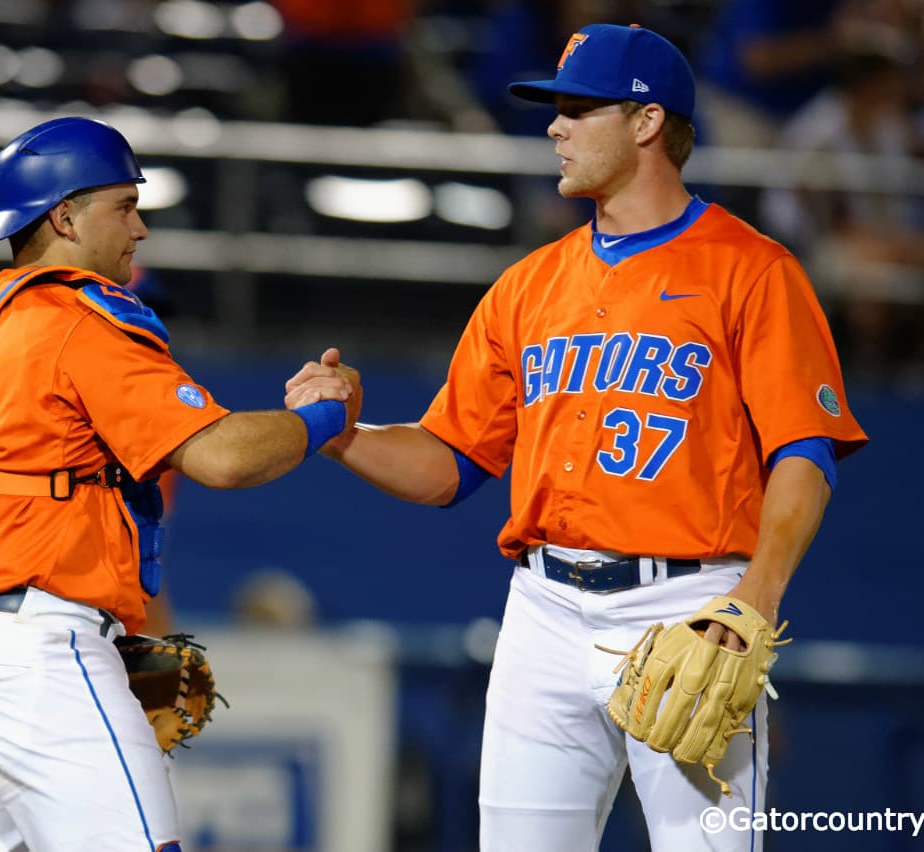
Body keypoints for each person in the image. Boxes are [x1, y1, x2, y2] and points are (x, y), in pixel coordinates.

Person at [285, 23, 868, 851]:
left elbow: (803, 456)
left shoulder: (753, 271)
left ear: (646, 123)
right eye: (555, 109)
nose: (554, 127)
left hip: (690, 604)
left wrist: (755, 600)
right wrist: (343, 434)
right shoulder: (529, 285)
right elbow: (448, 463)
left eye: (579, 109)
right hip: (543, 611)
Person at [0, 116, 359, 851]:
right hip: (35, 655)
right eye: (124, 205)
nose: (140, 228)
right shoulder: (77, 322)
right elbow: (223, 457)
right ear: (64, 216)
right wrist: (323, 420)